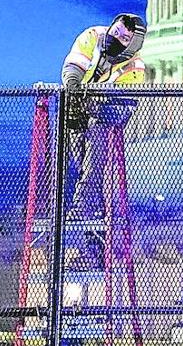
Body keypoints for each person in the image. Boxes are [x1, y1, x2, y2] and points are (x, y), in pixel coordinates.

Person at [60, 13, 147, 223]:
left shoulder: (135, 69)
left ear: (132, 46)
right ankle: (89, 208)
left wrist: (91, 105)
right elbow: (73, 67)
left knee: (95, 153)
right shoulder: (93, 36)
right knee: (80, 161)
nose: (115, 38)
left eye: (124, 38)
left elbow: (121, 110)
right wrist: (74, 89)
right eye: (115, 32)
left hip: (104, 118)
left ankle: (85, 208)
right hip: (76, 105)